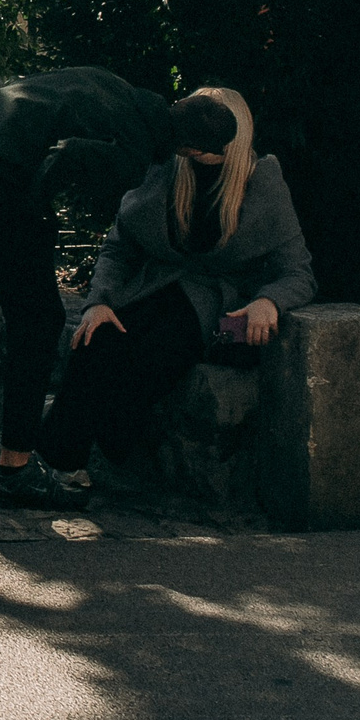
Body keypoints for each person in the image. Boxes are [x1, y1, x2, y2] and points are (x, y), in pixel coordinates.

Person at [0, 66, 242, 511]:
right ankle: (14, 469)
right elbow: (65, 157)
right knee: (40, 319)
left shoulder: (117, 88)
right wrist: (37, 216)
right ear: (196, 151)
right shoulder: (135, 149)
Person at [38, 88, 315, 475]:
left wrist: (268, 301)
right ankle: (61, 465)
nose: (197, 149)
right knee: (94, 338)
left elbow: (297, 271)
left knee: (157, 343)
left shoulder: (263, 182)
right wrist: (98, 301)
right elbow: (119, 249)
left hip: (208, 310)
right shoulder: (166, 167)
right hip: (147, 290)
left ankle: (87, 446)